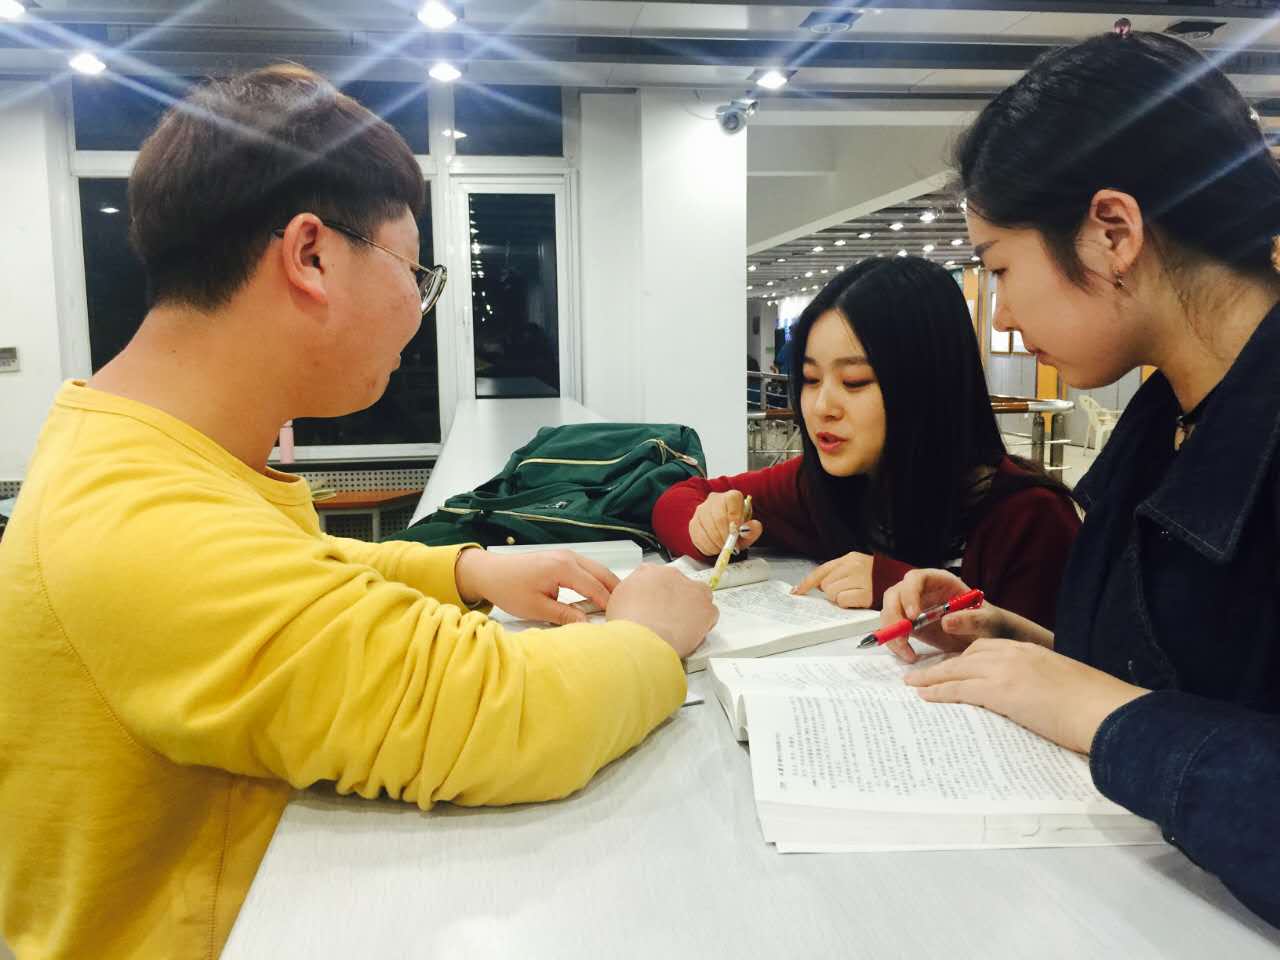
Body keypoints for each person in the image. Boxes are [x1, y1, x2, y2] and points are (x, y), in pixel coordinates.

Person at [0, 65, 717, 959]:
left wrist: (465, 568)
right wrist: (649, 634)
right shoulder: (139, 529)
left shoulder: (136, 452)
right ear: (311, 255)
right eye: (414, 273)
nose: (419, 313)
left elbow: (285, 568)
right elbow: (498, 715)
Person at [886, 29, 1280, 928]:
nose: (1003, 316)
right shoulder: (1168, 419)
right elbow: (1198, 676)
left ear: (1112, 232)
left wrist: (1099, 710)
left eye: (1000, 267)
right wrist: (1027, 650)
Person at [652, 256, 1080, 629]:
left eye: (854, 381)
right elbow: (675, 500)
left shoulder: (1029, 519)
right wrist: (705, 526)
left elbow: (1050, 668)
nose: (822, 406)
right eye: (810, 379)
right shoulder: (822, 486)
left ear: (928, 386)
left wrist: (893, 584)